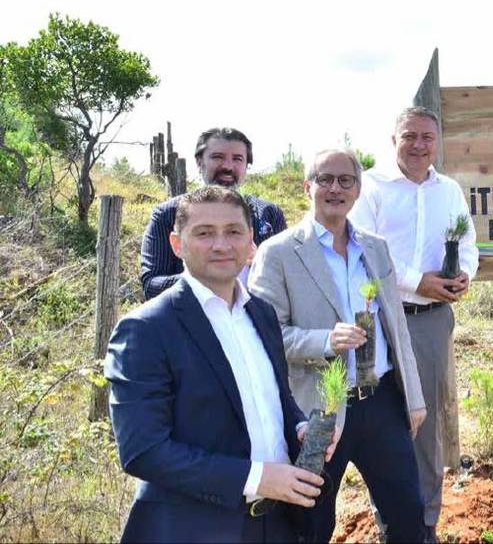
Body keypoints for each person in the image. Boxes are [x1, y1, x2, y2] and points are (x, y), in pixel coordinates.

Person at [106, 185, 329, 543]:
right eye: (205, 233)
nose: (222, 245)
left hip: (279, 523)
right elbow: (143, 452)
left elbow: (276, 399)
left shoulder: (262, 313)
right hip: (195, 528)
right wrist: (255, 478)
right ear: (177, 245)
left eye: (234, 232)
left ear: (251, 241)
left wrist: (300, 427)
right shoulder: (146, 329)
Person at [249, 149, 428, 542]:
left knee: (408, 515)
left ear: (358, 190)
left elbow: (396, 325)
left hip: (381, 402)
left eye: (345, 180)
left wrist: (413, 396)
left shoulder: (375, 247)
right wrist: (325, 341)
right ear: (307, 186)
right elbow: (266, 335)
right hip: (318, 411)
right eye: (324, 179)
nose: (335, 188)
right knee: (310, 524)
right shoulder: (278, 253)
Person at [349, 106, 478, 538]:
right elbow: (362, 250)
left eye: (427, 137)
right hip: (381, 319)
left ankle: (424, 524)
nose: (419, 145)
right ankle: (393, 523)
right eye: (410, 136)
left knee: (428, 429)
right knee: (385, 424)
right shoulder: (371, 187)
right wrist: (415, 282)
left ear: (437, 142)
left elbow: (468, 244)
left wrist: (464, 277)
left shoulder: (449, 191)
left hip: (430, 323)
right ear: (393, 140)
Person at [140, 127, 286, 299]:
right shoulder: (168, 214)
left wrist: (260, 263)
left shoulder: (268, 214)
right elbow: (151, 286)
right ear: (199, 162)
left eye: (237, 159)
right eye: (218, 157)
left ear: (247, 166)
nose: (228, 166)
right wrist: (207, 275)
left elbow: (289, 283)